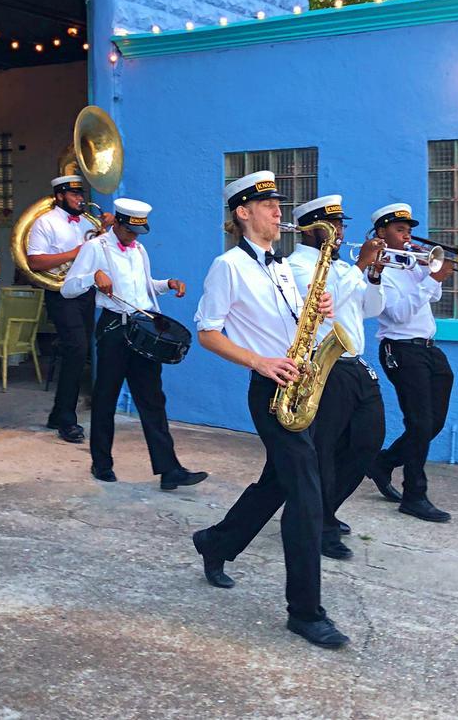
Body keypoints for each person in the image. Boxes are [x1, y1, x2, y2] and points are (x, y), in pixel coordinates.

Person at [192, 170, 349, 649]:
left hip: (303, 384)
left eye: (279, 205)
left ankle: (216, 542)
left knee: (278, 482)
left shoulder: (279, 266)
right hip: (271, 392)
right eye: (269, 206)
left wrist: (317, 309)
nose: (280, 212)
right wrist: (259, 362)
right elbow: (207, 331)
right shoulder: (228, 266)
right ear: (243, 212)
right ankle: (305, 612)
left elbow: (294, 325)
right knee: (305, 492)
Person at [61, 197, 208, 491]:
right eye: (128, 230)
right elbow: (67, 288)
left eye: (138, 232)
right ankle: (101, 463)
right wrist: (93, 277)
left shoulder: (138, 249)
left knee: (153, 400)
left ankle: (169, 470)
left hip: (143, 327)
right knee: (106, 398)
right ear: (116, 222)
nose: (133, 236)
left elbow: (143, 286)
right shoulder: (96, 248)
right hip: (114, 328)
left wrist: (167, 284)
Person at [287, 195, 387, 561]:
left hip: (355, 363)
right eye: (335, 226)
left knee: (368, 441)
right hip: (324, 365)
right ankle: (321, 525)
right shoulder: (297, 266)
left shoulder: (344, 266)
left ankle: (324, 509)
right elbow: (323, 304)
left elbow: (372, 309)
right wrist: (361, 266)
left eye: (343, 225)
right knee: (325, 450)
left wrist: (373, 273)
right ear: (314, 228)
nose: (342, 232)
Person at [369, 202, 454, 522]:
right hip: (401, 350)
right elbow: (399, 314)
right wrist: (433, 279)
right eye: (400, 230)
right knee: (418, 423)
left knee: (433, 423)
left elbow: (432, 298)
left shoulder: (412, 262)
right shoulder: (380, 269)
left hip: (429, 349)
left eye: (408, 231)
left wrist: (430, 271)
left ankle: (384, 462)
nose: (407, 236)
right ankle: (414, 495)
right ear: (381, 233)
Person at [27, 175, 113, 443]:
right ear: (60, 195)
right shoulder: (45, 222)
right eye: (74, 194)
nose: (80, 199)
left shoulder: (89, 222)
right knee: (77, 349)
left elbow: (102, 252)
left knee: (80, 351)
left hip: (85, 292)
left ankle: (57, 413)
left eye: (81, 194)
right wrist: (75, 252)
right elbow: (35, 261)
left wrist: (107, 231)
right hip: (60, 294)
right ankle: (67, 419)